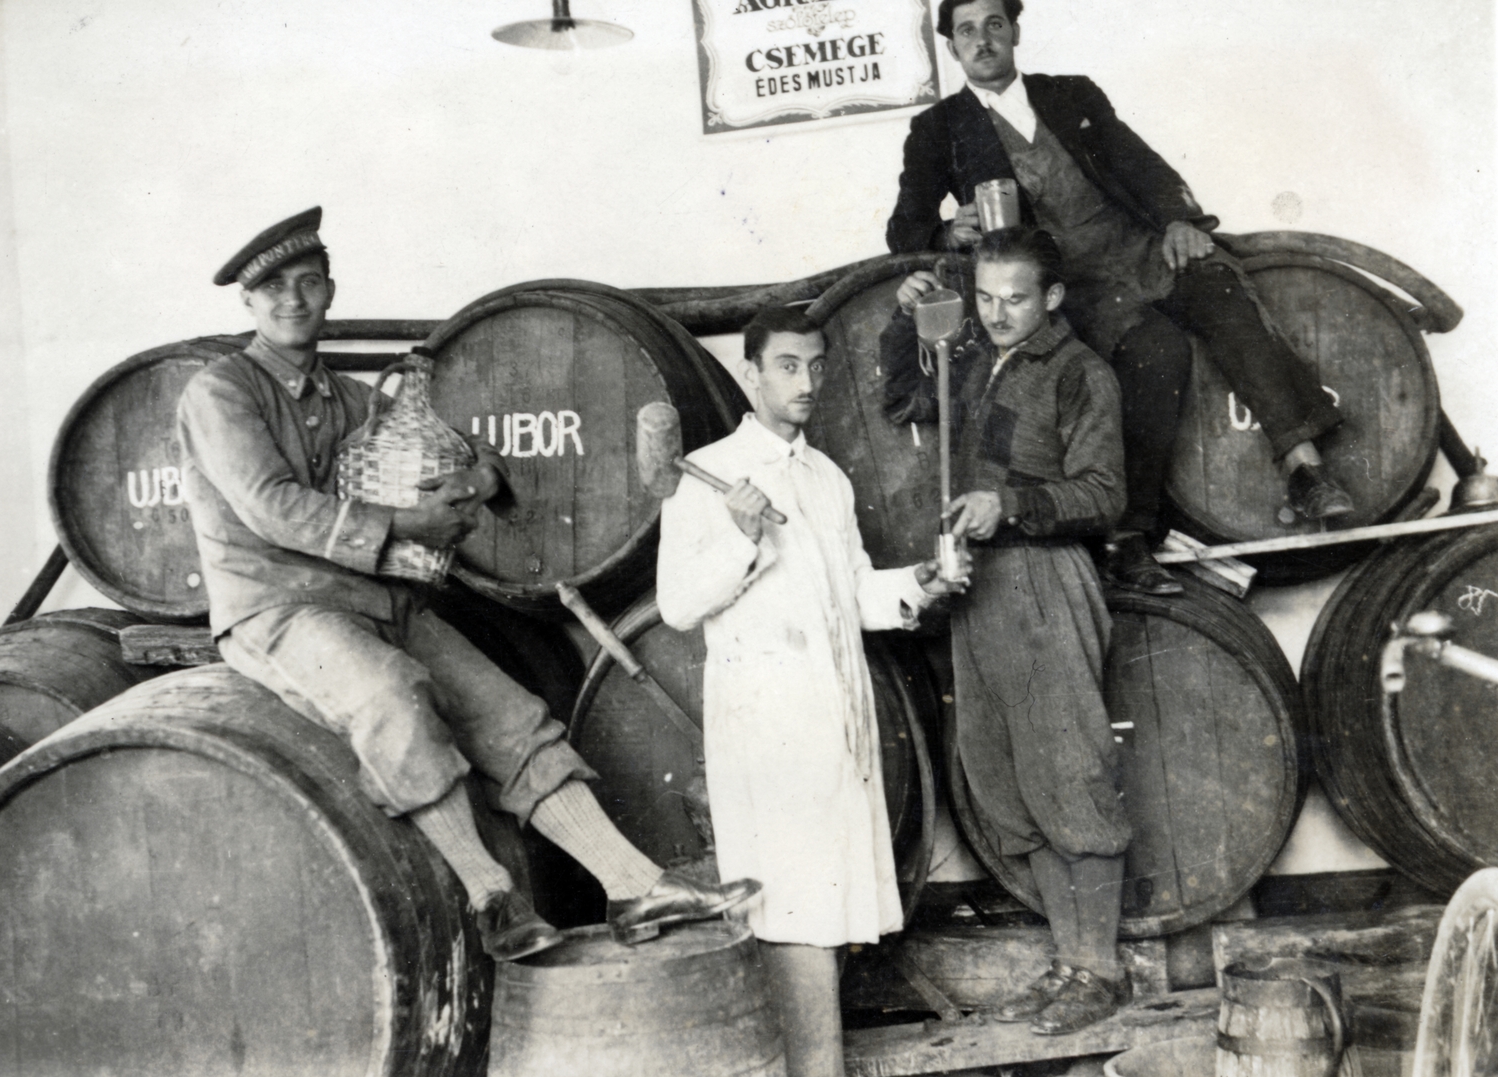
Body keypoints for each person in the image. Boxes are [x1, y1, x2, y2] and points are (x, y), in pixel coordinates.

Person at [176, 206, 758, 962]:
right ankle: (492, 896)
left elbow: (454, 450)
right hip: (277, 608)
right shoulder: (221, 392)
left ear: (329, 291)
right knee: (392, 695)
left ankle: (634, 883)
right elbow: (273, 508)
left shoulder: (350, 398)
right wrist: (407, 524)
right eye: (275, 288)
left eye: (309, 283)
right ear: (249, 304)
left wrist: (477, 474)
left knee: (510, 712)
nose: (294, 300)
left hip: (374, 596)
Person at [885, 0, 1353, 596]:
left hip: (1136, 247)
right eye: (967, 32)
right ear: (952, 47)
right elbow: (904, 228)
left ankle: (1305, 469)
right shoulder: (938, 128)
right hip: (1071, 283)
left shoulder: (1072, 94)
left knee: (1220, 286)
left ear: (1015, 32)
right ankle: (1130, 536)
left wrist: (1180, 221)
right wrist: (949, 232)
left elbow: (1141, 165)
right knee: (1155, 349)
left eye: (994, 26)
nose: (982, 41)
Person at [657, 307, 959, 1076]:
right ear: (751, 374)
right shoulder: (706, 476)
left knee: (821, 911)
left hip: (836, 718)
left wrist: (916, 583)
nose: (806, 381)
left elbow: (854, 592)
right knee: (792, 908)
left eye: (818, 366)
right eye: (788, 366)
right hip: (767, 731)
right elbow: (677, 605)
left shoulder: (827, 478)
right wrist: (741, 536)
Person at [887, 227, 1132, 1034]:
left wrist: (1013, 505)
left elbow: (1104, 493)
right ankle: (1067, 962)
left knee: (1071, 773)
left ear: (1052, 297)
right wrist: (903, 319)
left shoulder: (1079, 371)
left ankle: (1099, 968)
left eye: (1015, 298)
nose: (996, 313)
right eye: (985, 297)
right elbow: (901, 398)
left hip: (1043, 576)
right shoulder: (973, 359)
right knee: (1007, 782)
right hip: (976, 589)